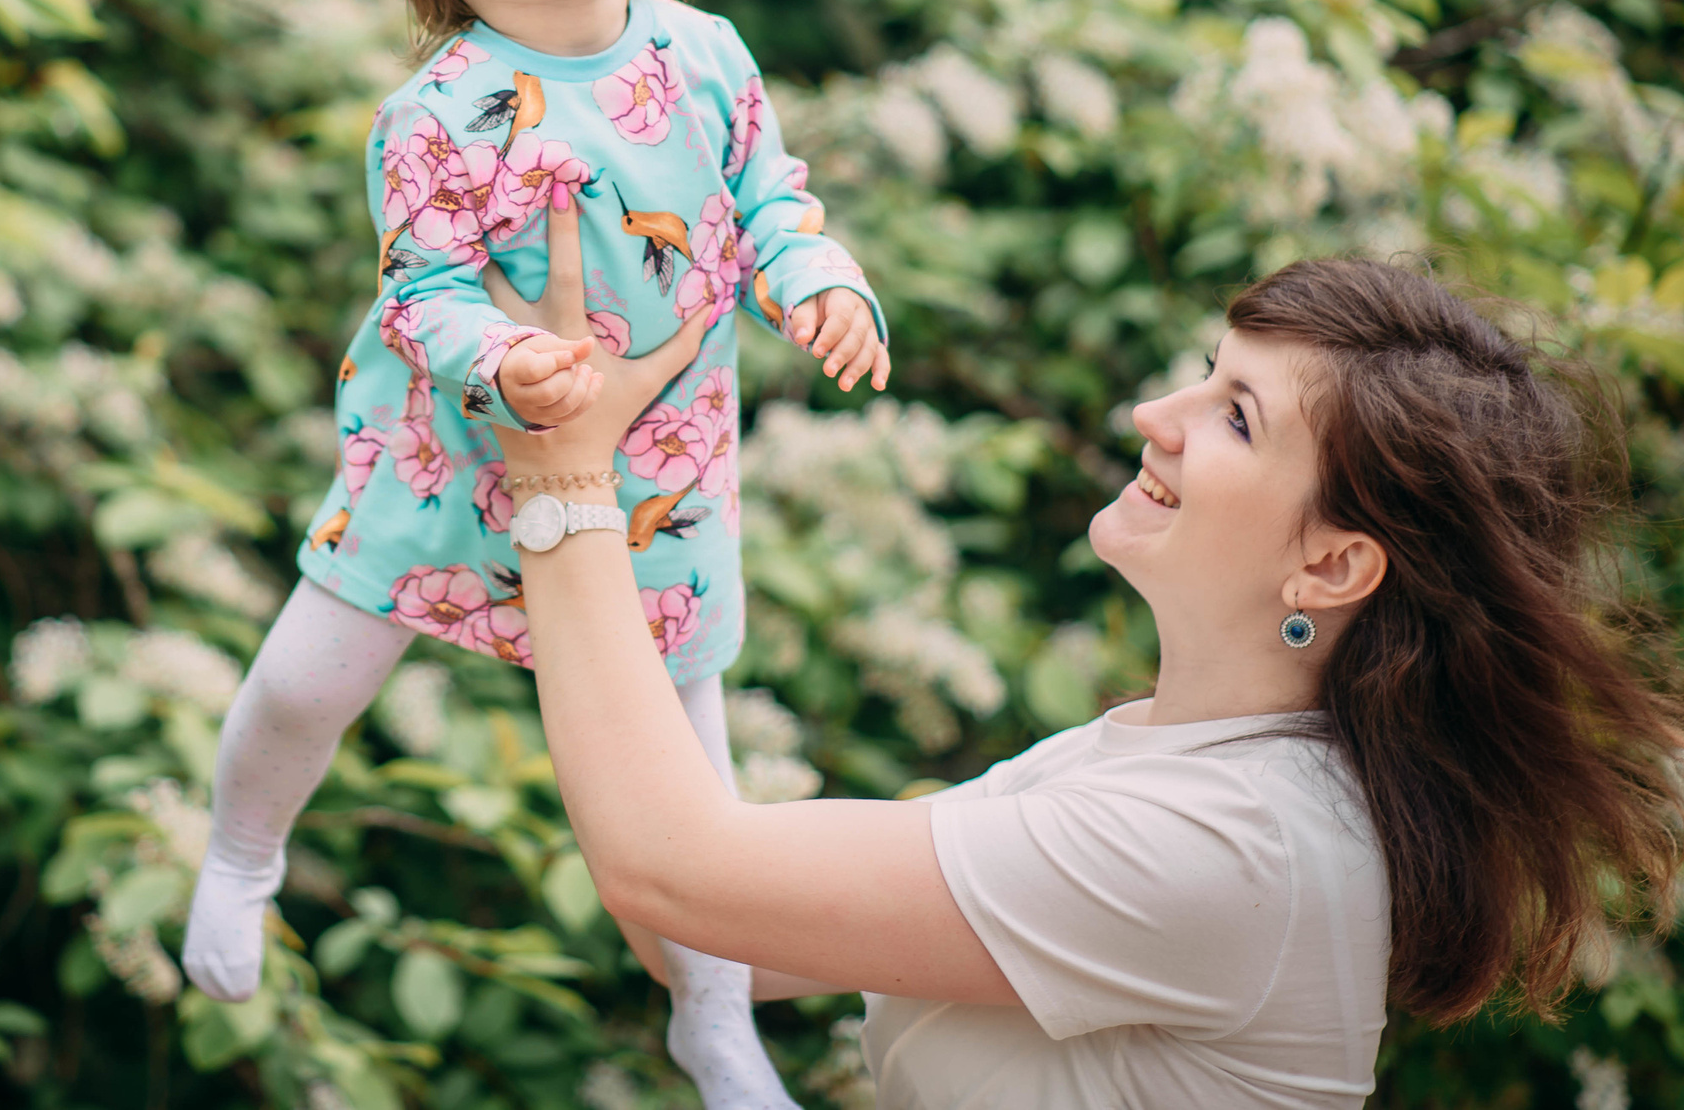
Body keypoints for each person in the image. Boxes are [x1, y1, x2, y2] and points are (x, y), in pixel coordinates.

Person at [485, 231, 1684, 1108]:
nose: (1156, 413)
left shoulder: (1234, 843)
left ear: (1331, 563)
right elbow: (707, 931)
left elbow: (674, 876)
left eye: (1235, 417)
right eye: (1205, 374)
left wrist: (561, 477)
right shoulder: (1152, 762)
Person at [183, 0, 889, 1109]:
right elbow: (422, 288)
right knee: (309, 676)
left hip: (656, 476)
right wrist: (498, 361)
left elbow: (768, 201)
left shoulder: (708, 57)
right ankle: (241, 850)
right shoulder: (437, 113)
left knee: (690, 761)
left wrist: (821, 280)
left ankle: (713, 1010)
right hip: (448, 462)